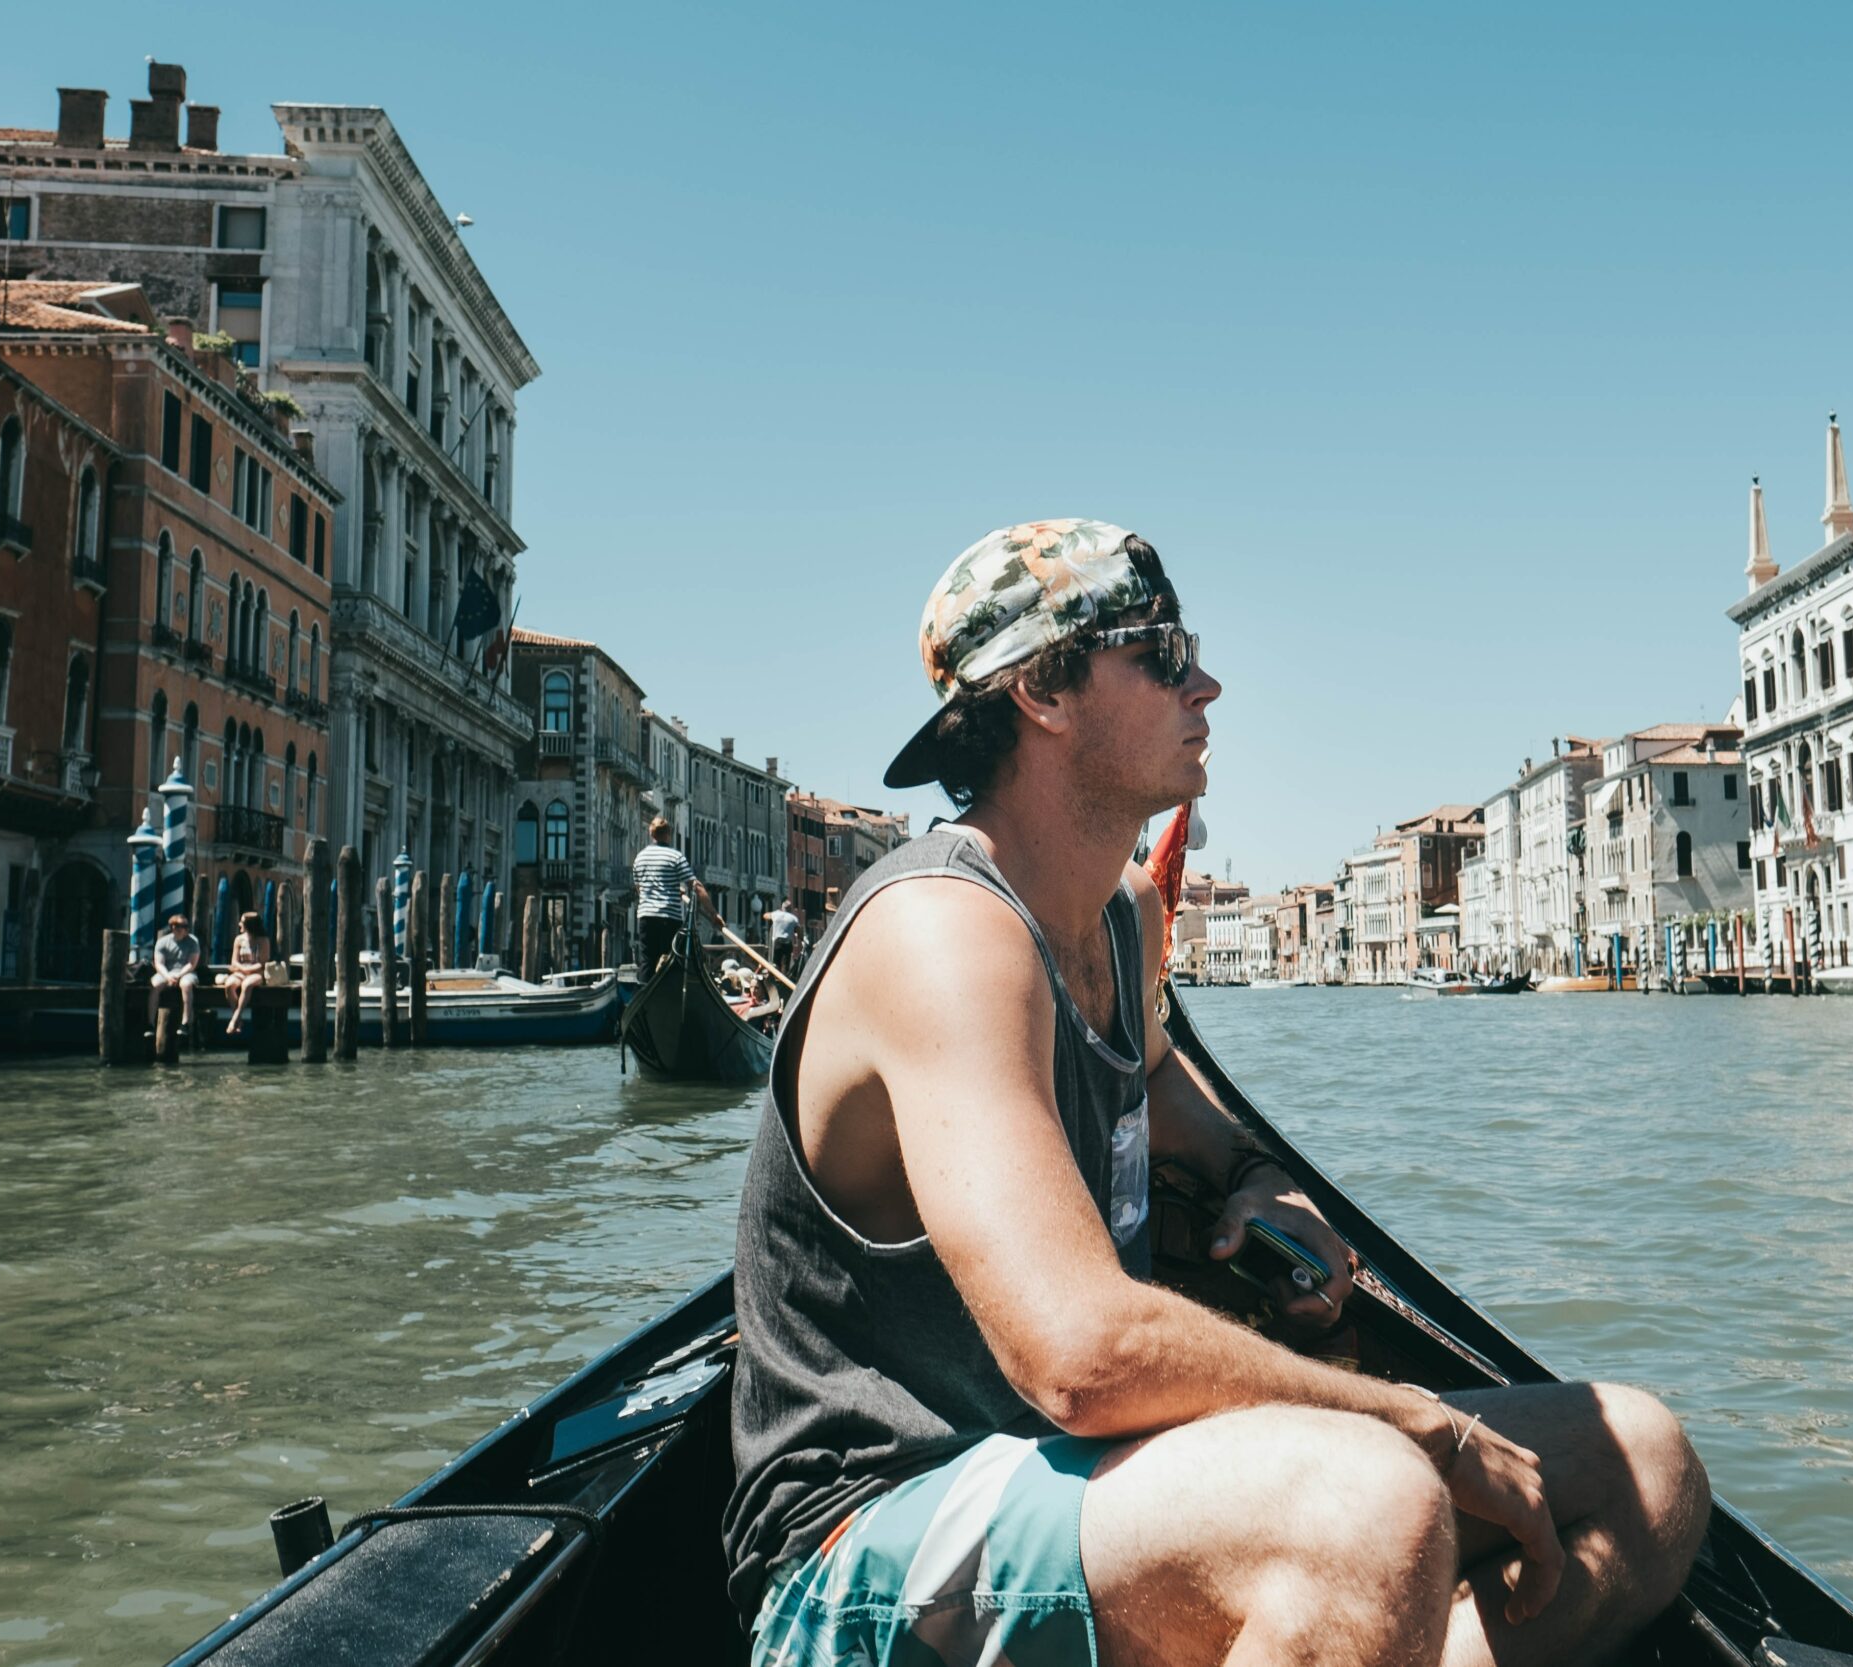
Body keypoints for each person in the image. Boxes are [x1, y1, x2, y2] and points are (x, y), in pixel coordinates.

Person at [728, 519, 1709, 1667]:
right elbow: (1082, 1355)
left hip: (1091, 1486)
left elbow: (1155, 1078)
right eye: (1161, 654)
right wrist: (1416, 1420)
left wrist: (1254, 1177)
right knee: (1369, 1505)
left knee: (1645, 1463)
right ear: (1042, 690)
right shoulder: (941, 932)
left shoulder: (1120, 915)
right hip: (864, 1540)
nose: (1207, 682)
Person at [631, 817, 716, 982]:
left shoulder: (639, 858)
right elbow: (696, 886)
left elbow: (641, 890)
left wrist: (669, 889)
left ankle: (644, 999)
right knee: (672, 961)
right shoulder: (675, 857)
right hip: (669, 918)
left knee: (647, 961)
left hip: (646, 916)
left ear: (651, 834)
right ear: (669, 834)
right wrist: (713, 914)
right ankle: (669, 998)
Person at [220, 910, 272, 1034]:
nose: (239, 924)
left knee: (247, 985)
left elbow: (263, 962)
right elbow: (234, 961)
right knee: (229, 985)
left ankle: (234, 1019)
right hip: (240, 971)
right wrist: (242, 969)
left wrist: (248, 970)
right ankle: (238, 1018)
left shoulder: (263, 940)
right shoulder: (239, 939)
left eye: (242, 922)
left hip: (257, 973)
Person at [151, 914, 202, 1030]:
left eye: (186, 926)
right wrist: (168, 976)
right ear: (173, 927)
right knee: (155, 985)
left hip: (186, 972)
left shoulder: (193, 942)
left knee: (186, 985)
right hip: (166, 972)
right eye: (181, 926)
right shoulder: (162, 942)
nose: (184, 928)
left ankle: (185, 1023)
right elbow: (159, 963)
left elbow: (191, 964)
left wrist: (178, 975)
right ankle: (151, 1023)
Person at [764, 896, 803, 978]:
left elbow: (765, 916)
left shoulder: (776, 914)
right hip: (788, 942)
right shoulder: (793, 918)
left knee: (776, 961)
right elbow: (799, 932)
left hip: (777, 941)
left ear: (782, 907)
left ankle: (775, 977)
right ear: (790, 909)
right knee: (785, 963)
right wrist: (801, 938)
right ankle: (784, 978)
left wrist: (775, 913)